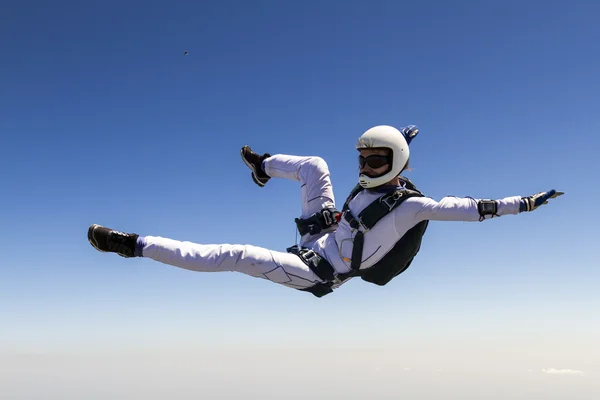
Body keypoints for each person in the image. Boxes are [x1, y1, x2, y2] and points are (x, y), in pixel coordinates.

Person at [87, 125, 563, 298]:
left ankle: (134, 245)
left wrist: (526, 203)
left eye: (376, 160)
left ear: (395, 165)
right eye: (363, 158)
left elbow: (474, 209)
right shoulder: (377, 177)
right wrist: (399, 137)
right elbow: (381, 157)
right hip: (328, 234)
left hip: (319, 271)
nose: (366, 166)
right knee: (314, 166)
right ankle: (262, 167)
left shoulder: (415, 207)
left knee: (236, 254)